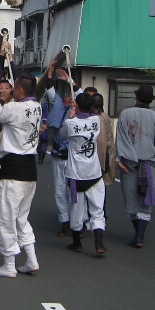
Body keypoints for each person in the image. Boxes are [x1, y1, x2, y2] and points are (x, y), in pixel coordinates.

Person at [0, 76, 43, 278]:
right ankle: (31, 259)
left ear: (19, 90)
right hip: (29, 171)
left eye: (13, 88)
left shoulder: (13, 108)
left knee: (5, 217)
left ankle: (9, 264)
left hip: (13, 172)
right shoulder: (37, 107)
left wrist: (2, 99)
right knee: (21, 218)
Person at [116, 85, 155, 249]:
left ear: (137, 98)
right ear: (151, 100)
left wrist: (119, 159)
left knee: (131, 201)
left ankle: (138, 235)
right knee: (145, 201)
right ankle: (139, 235)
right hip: (148, 164)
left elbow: (121, 139)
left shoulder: (125, 114)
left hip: (129, 164)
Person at [36, 55, 82, 237]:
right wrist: (51, 73)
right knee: (59, 190)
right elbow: (49, 91)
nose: (70, 100)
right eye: (67, 97)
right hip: (57, 156)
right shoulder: (57, 107)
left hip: (73, 157)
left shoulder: (80, 115)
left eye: (72, 98)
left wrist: (71, 82)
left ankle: (77, 221)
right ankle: (64, 222)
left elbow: (81, 95)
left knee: (73, 190)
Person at [60, 93, 107, 255]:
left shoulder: (70, 123)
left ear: (77, 106)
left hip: (76, 175)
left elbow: (63, 134)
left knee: (76, 210)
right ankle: (99, 243)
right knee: (97, 210)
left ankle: (77, 243)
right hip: (94, 173)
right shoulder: (96, 121)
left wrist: (71, 115)